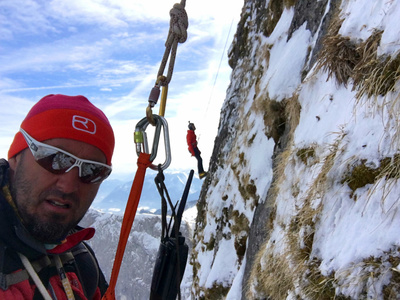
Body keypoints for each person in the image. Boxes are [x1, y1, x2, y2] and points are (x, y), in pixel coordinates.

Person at [0, 94, 114, 299]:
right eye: (54, 158)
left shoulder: (80, 262)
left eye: (91, 170)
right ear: (16, 157)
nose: (69, 185)